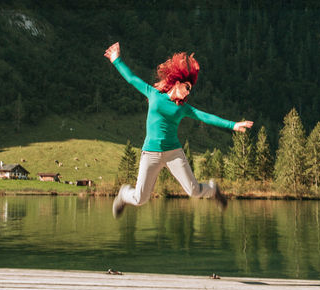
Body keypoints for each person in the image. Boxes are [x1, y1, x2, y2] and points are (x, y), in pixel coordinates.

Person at [104, 41, 253, 218]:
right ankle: (123, 194)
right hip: (150, 154)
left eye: (190, 89)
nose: (188, 92)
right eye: (187, 87)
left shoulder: (183, 108)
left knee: (194, 191)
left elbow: (206, 116)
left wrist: (233, 125)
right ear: (177, 83)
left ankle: (212, 190)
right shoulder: (154, 95)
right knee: (139, 199)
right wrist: (116, 59)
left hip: (174, 153)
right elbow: (132, 79)